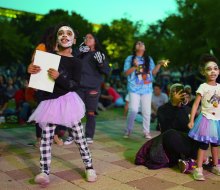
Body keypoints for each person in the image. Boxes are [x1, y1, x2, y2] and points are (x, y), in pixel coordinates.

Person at [27, 24, 97, 187]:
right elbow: (36, 78)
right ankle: (44, 171)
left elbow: (74, 85)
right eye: (61, 33)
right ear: (57, 38)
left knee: (79, 137)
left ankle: (89, 167)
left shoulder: (76, 63)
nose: (64, 36)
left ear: (73, 40)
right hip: (50, 102)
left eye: (68, 33)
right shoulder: (48, 57)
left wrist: (59, 77)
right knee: (46, 139)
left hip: (68, 102)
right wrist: (29, 70)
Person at [135, 83, 199, 171]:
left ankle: (194, 160)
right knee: (171, 134)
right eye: (174, 91)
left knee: (200, 134)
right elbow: (166, 130)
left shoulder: (188, 110)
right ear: (170, 94)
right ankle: (196, 160)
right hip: (171, 141)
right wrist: (174, 106)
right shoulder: (163, 109)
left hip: (185, 141)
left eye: (180, 91)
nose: (177, 94)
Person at [64, 33, 110, 145]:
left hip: (93, 87)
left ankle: (89, 135)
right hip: (78, 86)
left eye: (90, 37)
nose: (87, 39)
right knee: (73, 111)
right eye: (86, 37)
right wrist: (78, 52)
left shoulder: (99, 54)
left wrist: (101, 64)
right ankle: (72, 135)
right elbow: (70, 64)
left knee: (90, 112)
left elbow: (107, 71)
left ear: (95, 41)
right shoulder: (80, 53)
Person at [28, 26, 64, 146]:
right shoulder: (42, 46)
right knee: (41, 112)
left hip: (55, 84)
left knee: (56, 112)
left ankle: (55, 136)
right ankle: (39, 138)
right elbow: (34, 63)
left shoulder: (60, 47)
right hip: (42, 85)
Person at [123, 41, 168, 139]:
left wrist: (159, 64)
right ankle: (128, 130)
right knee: (133, 110)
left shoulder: (149, 59)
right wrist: (135, 66)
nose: (140, 44)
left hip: (147, 88)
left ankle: (146, 131)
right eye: (138, 43)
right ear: (135, 47)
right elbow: (126, 73)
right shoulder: (130, 58)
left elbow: (153, 73)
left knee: (146, 111)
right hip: (134, 88)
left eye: (142, 44)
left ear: (145, 48)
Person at [188, 54, 220, 181]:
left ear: (219, 71)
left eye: (215, 68)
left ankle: (215, 165)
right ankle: (199, 168)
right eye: (209, 69)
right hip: (206, 119)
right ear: (203, 72)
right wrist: (191, 120)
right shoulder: (203, 87)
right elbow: (196, 104)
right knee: (204, 144)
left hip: (218, 120)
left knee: (216, 144)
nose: (212, 71)